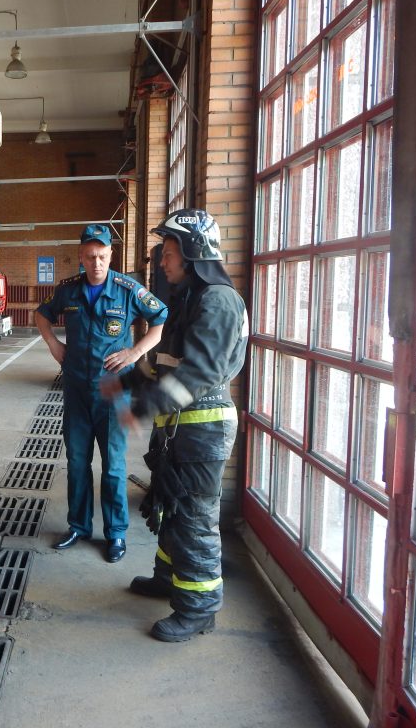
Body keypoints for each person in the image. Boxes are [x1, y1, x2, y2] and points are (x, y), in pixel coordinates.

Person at [108, 209, 248, 643]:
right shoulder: (189, 299)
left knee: (193, 518)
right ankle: (170, 577)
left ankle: (198, 608)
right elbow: (167, 363)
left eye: (169, 254)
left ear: (192, 253)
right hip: (179, 431)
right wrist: (129, 379)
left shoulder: (219, 301)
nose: (163, 263)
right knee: (171, 508)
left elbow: (200, 372)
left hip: (202, 430)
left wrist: (143, 406)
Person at [36, 224, 167, 563]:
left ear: (111, 256)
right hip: (77, 389)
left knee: (113, 466)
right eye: (91, 257)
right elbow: (41, 314)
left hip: (113, 391)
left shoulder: (127, 290)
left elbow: (160, 318)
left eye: (103, 257)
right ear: (81, 257)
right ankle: (78, 526)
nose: (97, 263)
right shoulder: (69, 291)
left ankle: (116, 534)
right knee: (78, 462)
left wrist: (135, 353)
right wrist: (53, 343)